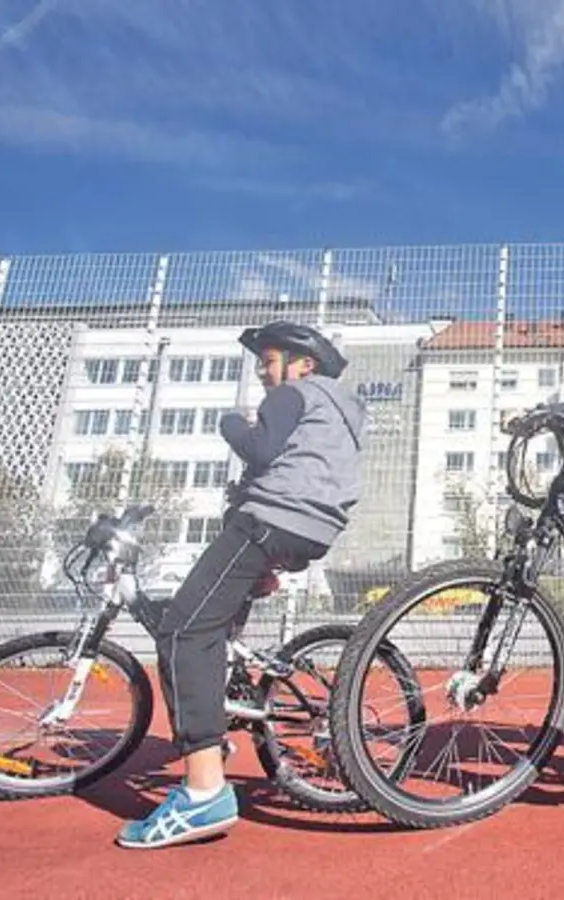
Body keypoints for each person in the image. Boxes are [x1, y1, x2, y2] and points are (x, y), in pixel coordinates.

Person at [116, 321, 368, 848]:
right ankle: (218, 716)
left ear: (303, 364)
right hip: (310, 529)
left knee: (185, 632)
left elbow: (262, 449)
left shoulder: (294, 393)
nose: (262, 371)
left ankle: (204, 792)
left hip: (269, 520)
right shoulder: (343, 412)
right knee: (217, 625)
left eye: (268, 360)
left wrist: (231, 422)